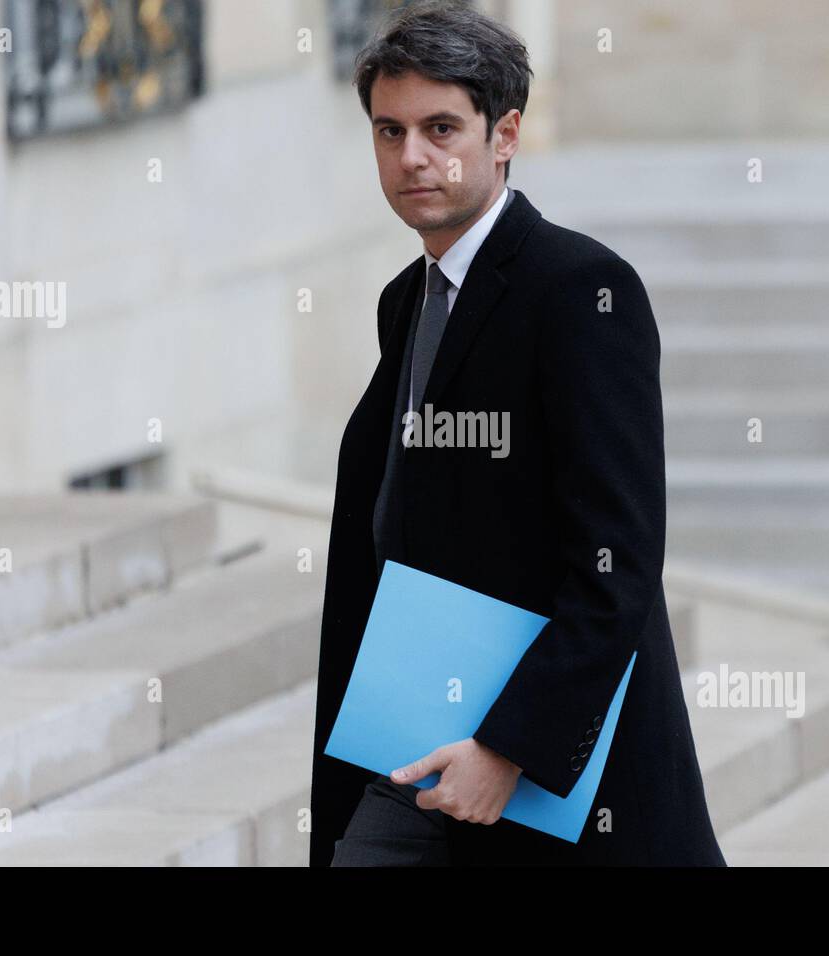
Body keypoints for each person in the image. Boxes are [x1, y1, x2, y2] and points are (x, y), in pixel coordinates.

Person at [310, 0, 727, 867]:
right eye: (389, 131)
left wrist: (510, 748)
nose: (412, 157)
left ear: (505, 135)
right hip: (414, 738)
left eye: (440, 128)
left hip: (545, 774)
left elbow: (618, 560)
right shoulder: (407, 299)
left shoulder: (582, 291)